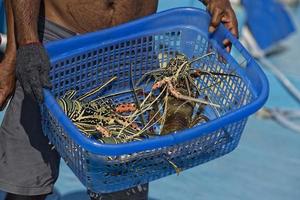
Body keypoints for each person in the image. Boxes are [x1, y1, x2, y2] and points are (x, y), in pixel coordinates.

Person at [0, 0, 238, 199]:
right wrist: (23, 46)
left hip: (132, 51)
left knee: (124, 187)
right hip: (56, 43)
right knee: (25, 184)